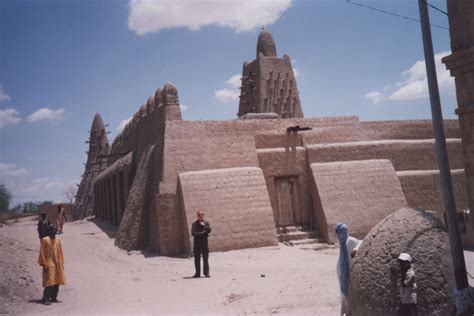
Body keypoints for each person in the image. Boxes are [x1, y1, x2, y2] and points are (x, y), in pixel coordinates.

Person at [336, 223, 362, 316]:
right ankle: (345, 312)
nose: (337, 235)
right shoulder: (341, 243)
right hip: (342, 273)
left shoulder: (350, 240)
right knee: (343, 294)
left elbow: (362, 242)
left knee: (349, 293)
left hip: (349, 273)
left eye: (338, 232)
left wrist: (356, 249)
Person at [37, 224, 66, 305]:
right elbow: (42, 253)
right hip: (49, 263)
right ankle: (45, 298)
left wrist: (62, 263)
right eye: (52, 229)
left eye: (55, 230)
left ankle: (53, 297)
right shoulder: (45, 240)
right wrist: (44, 264)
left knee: (57, 281)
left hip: (57, 263)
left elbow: (60, 252)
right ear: (49, 231)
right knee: (49, 281)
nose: (54, 231)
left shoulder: (57, 240)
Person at [191, 210, 211, 278]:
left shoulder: (206, 223)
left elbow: (209, 230)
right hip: (197, 244)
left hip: (204, 243)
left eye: (201, 214)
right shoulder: (194, 224)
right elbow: (193, 233)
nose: (200, 216)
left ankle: (206, 273)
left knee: (205, 258)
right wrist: (203, 233)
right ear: (197, 215)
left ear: (203, 215)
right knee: (197, 259)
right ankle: (197, 273)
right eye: (199, 214)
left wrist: (204, 226)